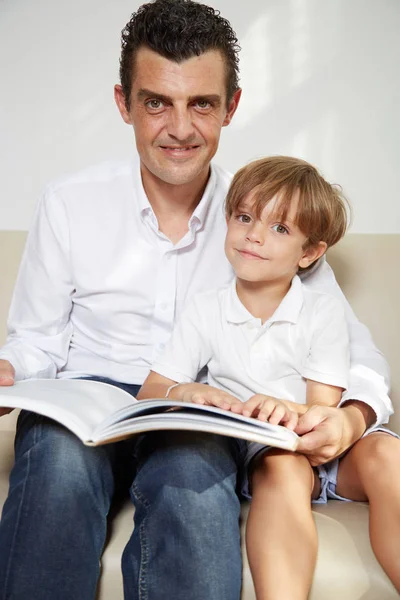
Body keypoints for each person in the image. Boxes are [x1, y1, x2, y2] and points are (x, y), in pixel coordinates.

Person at [0, 1, 393, 599]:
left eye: (201, 104)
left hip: (198, 420)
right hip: (89, 404)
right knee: (54, 463)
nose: (179, 129)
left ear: (230, 107)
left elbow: (353, 356)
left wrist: (351, 417)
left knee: (193, 473)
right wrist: (11, 371)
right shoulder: (69, 203)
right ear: (123, 102)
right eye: (156, 101)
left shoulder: (265, 223)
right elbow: (35, 339)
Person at [138, 155, 400, 599]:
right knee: (283, 469)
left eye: (279, 228)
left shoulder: (323, 309)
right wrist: (187, 390)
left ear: (310, 253)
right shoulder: (206, 308)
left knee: (387, 456)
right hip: (268, 452)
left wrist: (293, 410)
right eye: (244, 217)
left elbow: (324, 406)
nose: (254, 235)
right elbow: (150, 390)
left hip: (327, 444)